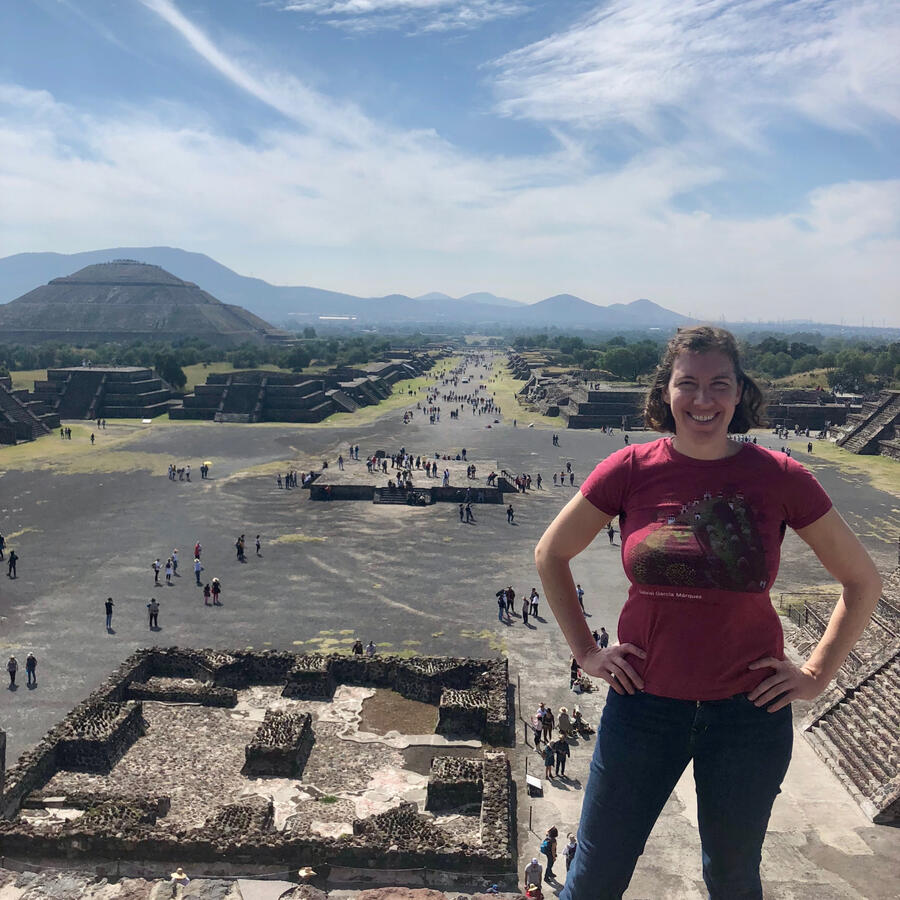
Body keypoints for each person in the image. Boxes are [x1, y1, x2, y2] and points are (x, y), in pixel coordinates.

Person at [534, 325, 882, 900]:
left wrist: (818, 675)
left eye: (719, 384)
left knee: (731, 876)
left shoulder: (781, 477)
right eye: (687, 384)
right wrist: (587, 653)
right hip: (642, 705)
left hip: (747, 715)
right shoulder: (630, 468)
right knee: (596, 872)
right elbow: (551, 553)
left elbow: (862, 581)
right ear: (664, 393)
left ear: (739, 392)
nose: (703, 400)